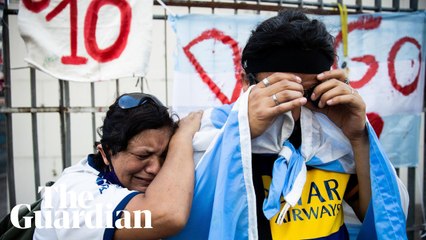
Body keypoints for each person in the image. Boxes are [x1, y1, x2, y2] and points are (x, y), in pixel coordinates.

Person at [170, 9, 408, 240]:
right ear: (245, 82)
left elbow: (380, 220)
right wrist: (240, 137)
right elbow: (190, 219)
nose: (294, 108)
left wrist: (358, 138)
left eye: (309, 93)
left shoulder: (335, 132)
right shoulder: (209, 134)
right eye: (280, 91)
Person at [32, 92, 202, 240]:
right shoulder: (75, 192)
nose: (155, 169)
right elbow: (168, 215)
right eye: (142, 156)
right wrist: (182, 138)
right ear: (106, 153)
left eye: (165, 156)